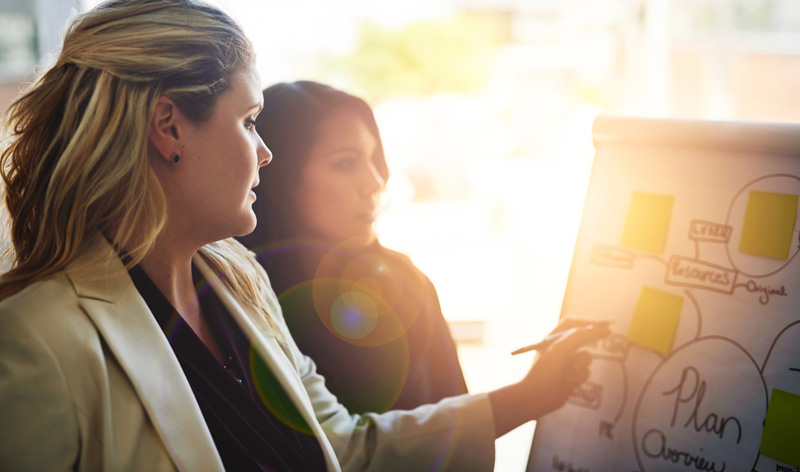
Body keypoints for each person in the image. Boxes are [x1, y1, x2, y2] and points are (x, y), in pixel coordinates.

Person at [0, 1, 609, 471]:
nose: (266, 154)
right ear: (169, 129)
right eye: (248, 121)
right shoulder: (37, 337)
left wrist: (531, 395)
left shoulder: (239, 282)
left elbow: (343, 446)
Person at [236, 81, 469, 414]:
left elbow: (462, 430)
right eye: (346, 163)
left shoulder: (406, 282)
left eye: (374, 158)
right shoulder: (237, 294)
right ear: (280, 174)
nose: (375, 182)